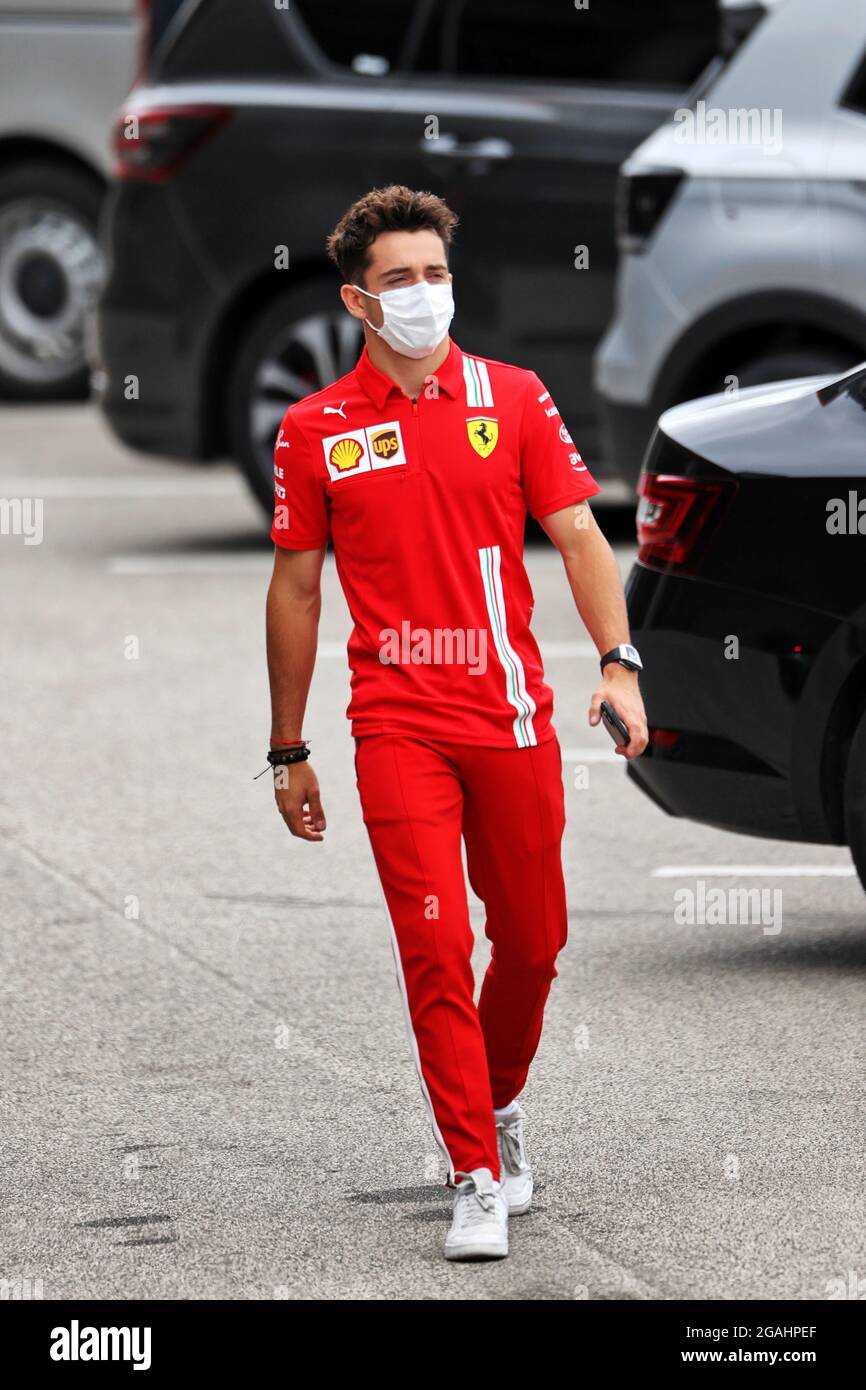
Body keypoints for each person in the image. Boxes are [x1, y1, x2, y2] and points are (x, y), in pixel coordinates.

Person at [265, 185, 647, 1261]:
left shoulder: (513, 397)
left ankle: (498, 1099)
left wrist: (617, 664)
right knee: (435, 944)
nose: (424, 295)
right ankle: (474, 1168)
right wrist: (288, 745)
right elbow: (294, 591)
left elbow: (577, 536)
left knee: (530, 942)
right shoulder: (316, 430)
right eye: (399, 280)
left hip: (510, 716)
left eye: (435, 275)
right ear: (357, 300)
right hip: (397, 725)